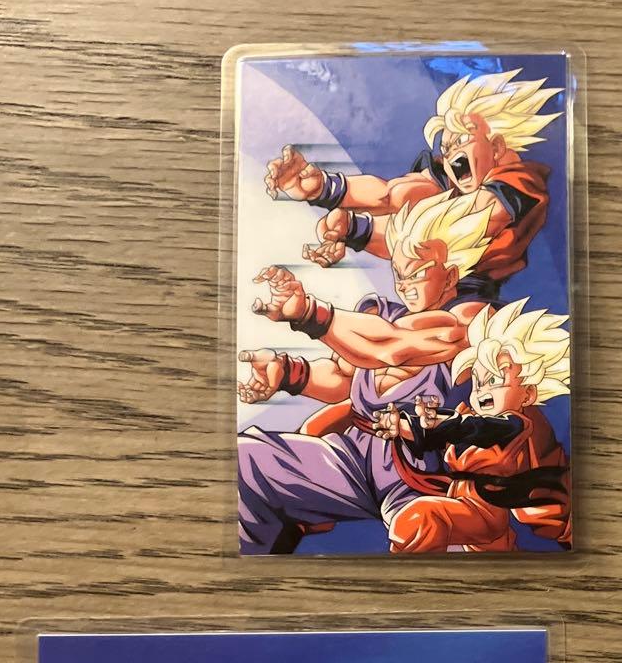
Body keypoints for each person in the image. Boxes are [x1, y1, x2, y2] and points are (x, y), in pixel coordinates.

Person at [236, 191, 494, 553]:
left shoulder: (468, 323)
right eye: (398, 274)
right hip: (354, 460)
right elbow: (341, 377)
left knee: (416, 534)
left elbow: (391, 347)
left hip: (419, 483)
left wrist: (310, 313)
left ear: (450, 275)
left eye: (416, 274)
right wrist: (290, 373)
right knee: (247, 459)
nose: (404, 285)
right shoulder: (379, 313)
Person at [265, 68, 561, 299]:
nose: (451, 157)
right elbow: (391, 195)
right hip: (433, 292)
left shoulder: (518, 184)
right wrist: (323, 189)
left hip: (472, 301)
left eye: (461, 142)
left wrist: (358, 228)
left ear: (495, 147)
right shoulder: (451, 180)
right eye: (446, 149)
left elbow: (435, 236)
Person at [370, 299, 572, 553]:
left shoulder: (515, 424)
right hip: (471, 507)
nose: (482, 391)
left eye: (495, 381)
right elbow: (444, 430)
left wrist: (443, 424)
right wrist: (404, 426)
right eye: (477, 383)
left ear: (528, 394)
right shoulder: (468, 415)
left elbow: (477, 428)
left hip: (484, 513)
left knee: (422, 518)